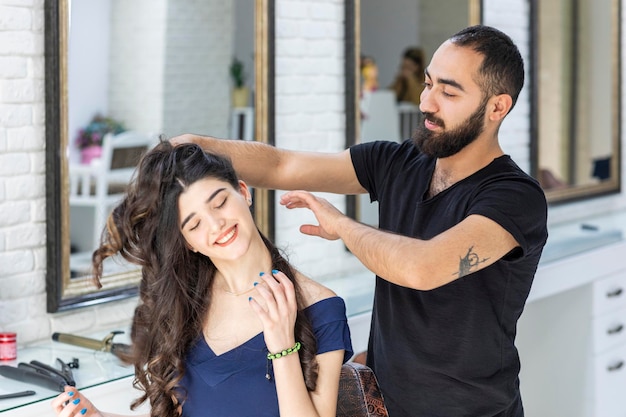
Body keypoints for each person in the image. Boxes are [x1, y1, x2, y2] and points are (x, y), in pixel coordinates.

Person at [171, 24, 548, 417]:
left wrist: (343, 226)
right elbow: (283, 164)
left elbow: (423, 268)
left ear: (497, 107)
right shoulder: (396, 164)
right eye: (428, 83)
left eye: (449, 92)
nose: (426, 103)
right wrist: (192, 146)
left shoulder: (513, 197)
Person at [51, 142, 353, 417]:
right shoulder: (188, 304)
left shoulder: (321, 308)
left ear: (244, 192)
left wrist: (282, 347)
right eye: (194, 225)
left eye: (220, 203)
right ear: (188, 243)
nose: (216, 225)